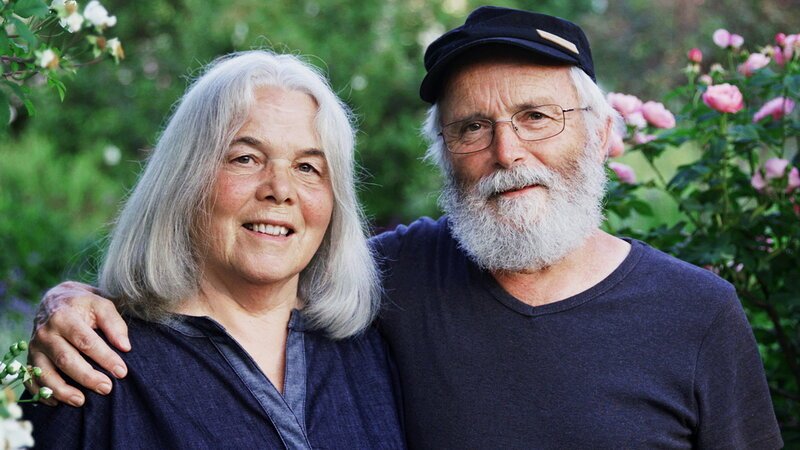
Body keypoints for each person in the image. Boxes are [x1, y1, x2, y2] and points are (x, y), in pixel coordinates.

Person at [28, 6, 783, 449]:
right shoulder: (396, 282)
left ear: (601, 132)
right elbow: (240, 274)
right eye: (471, 128)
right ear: (444, 154)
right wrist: (73, 304)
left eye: (537, 117)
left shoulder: (697, 318)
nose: (506, 153)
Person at [21, 50, 405, 449]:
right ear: (186, 180)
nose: (280, 189)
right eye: (245, 158)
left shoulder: (370, 354)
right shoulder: (93, 362)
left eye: (307, 167)